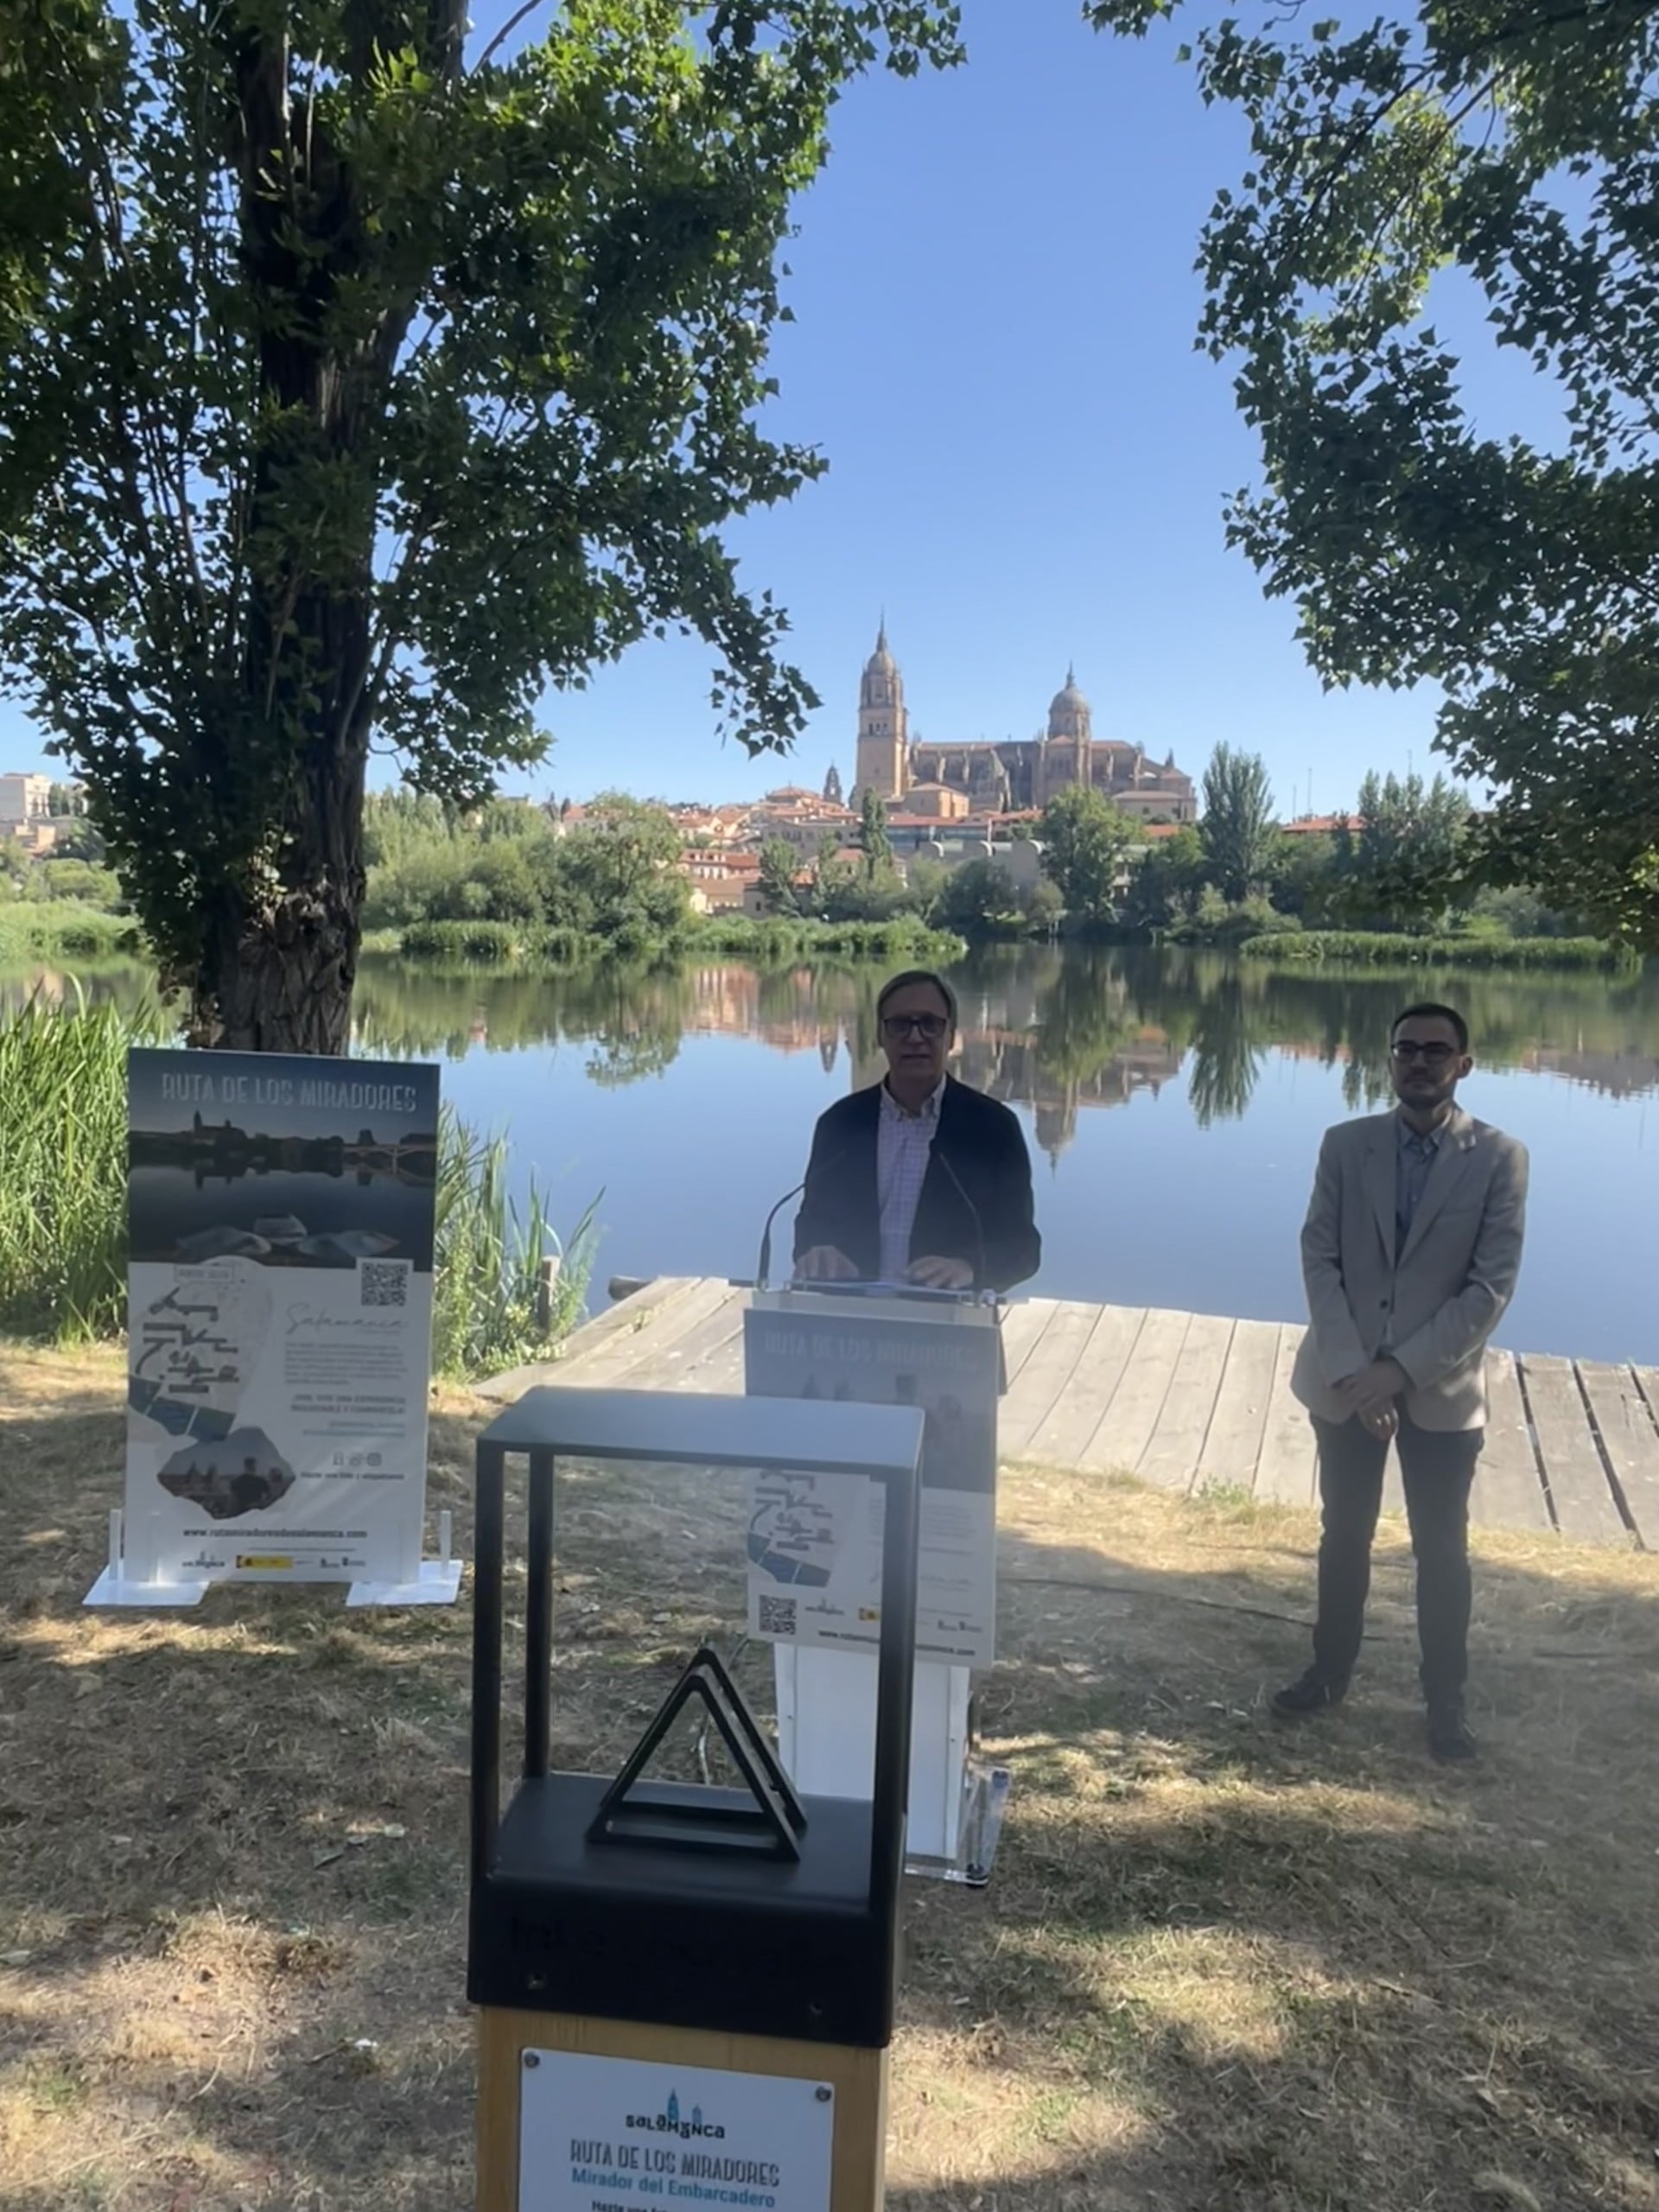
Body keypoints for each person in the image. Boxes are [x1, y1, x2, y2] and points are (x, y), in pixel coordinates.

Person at [1276, 1002, 1528, 1763]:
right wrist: (1357, 1373)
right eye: (1406, 1050)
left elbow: (1489, 1289)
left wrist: (1399, 1371)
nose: (1419, 1061)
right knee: (1343, 1534)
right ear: (1389, 1061)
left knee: (1442, 1549)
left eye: (1436, 1050)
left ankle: (1444, 1701)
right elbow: (1319, 1256)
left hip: (1441, 1391)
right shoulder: (1345, 1145)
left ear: (1464, 1064)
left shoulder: (1499, 1158)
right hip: (1344, 1382)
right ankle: (1329, 1672)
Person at [792, 969, 1040, 1294]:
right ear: (880, 1036)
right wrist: (817, 1252)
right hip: (850, 1320)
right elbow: (810, 1227)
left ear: (951, 1036)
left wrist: (970, 1267)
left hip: (946, 1325)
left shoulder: (994, 1128)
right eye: (899, 1024)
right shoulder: (839, 1124)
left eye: (930, 1024)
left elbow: (1022, 1249)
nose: (914, 1037)